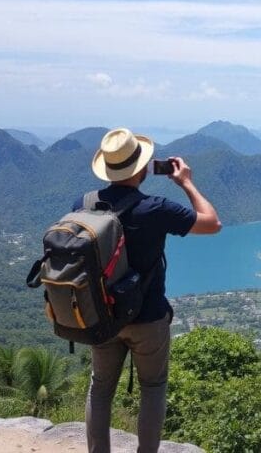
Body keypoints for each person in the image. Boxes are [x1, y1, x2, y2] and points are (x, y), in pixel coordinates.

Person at [78, 127, 221, 453]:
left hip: (102, 317)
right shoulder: (155, 209)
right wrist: (185, 181)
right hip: (148, 320)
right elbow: (212, 223)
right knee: (153, 388)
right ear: (142, 168)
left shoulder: (85, 203)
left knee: (100, 390)